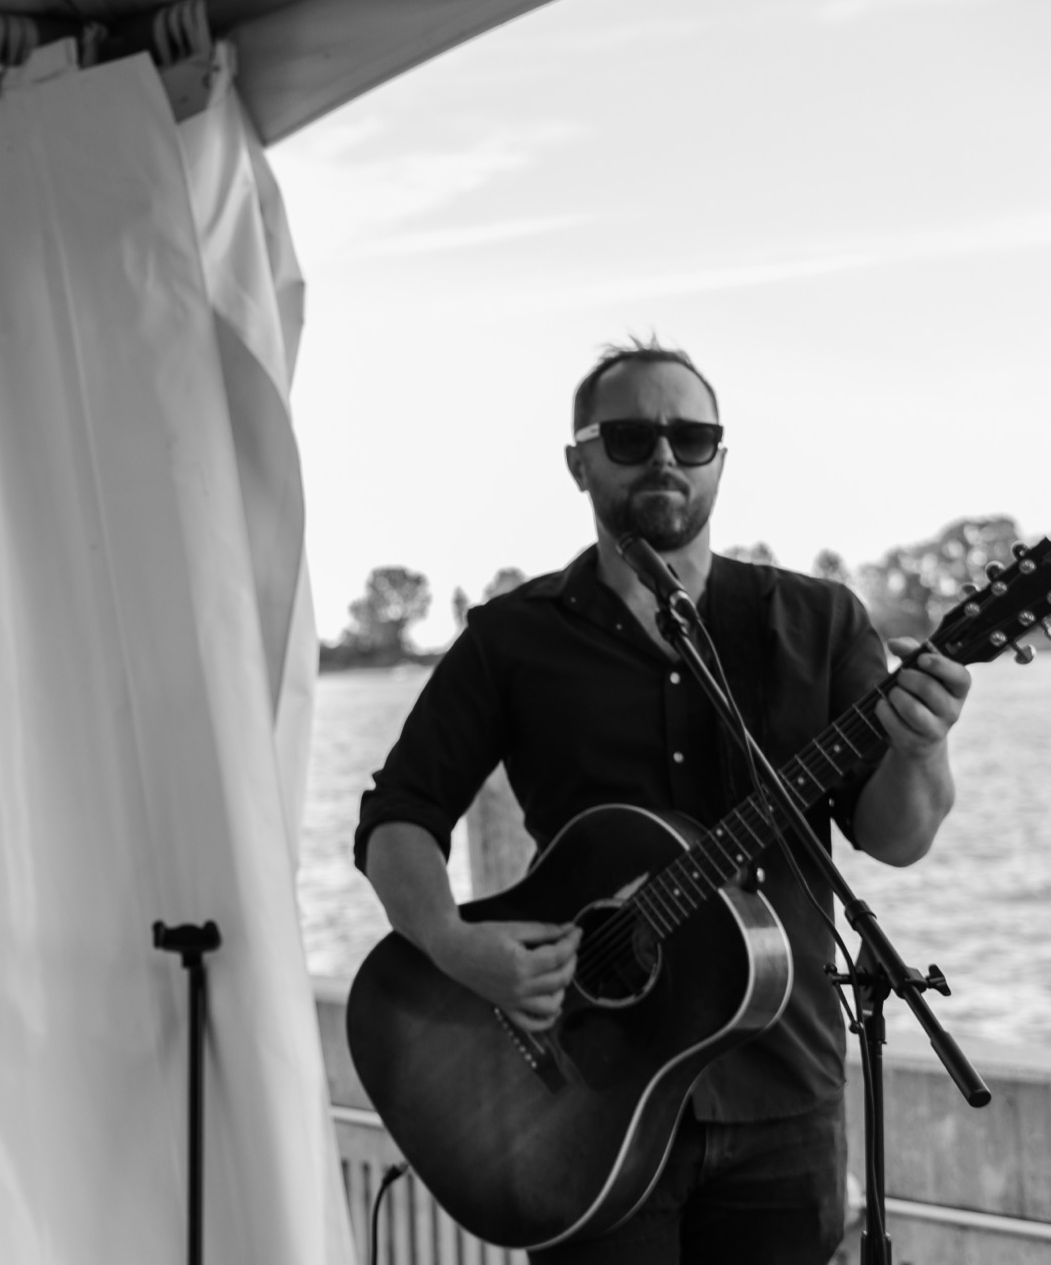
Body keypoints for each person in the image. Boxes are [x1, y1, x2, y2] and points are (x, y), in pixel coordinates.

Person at [354, 342, 970, 1264]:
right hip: (580, 1109)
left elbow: (895, 838)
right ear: (579, 461)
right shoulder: (513, 640)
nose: (665, 458)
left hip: (783, 1093)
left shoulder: (818, 622)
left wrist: (921, 749)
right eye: (633, 436)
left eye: (692, 436)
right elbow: (397, 816)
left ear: (722, 456)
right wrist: (452, 945)